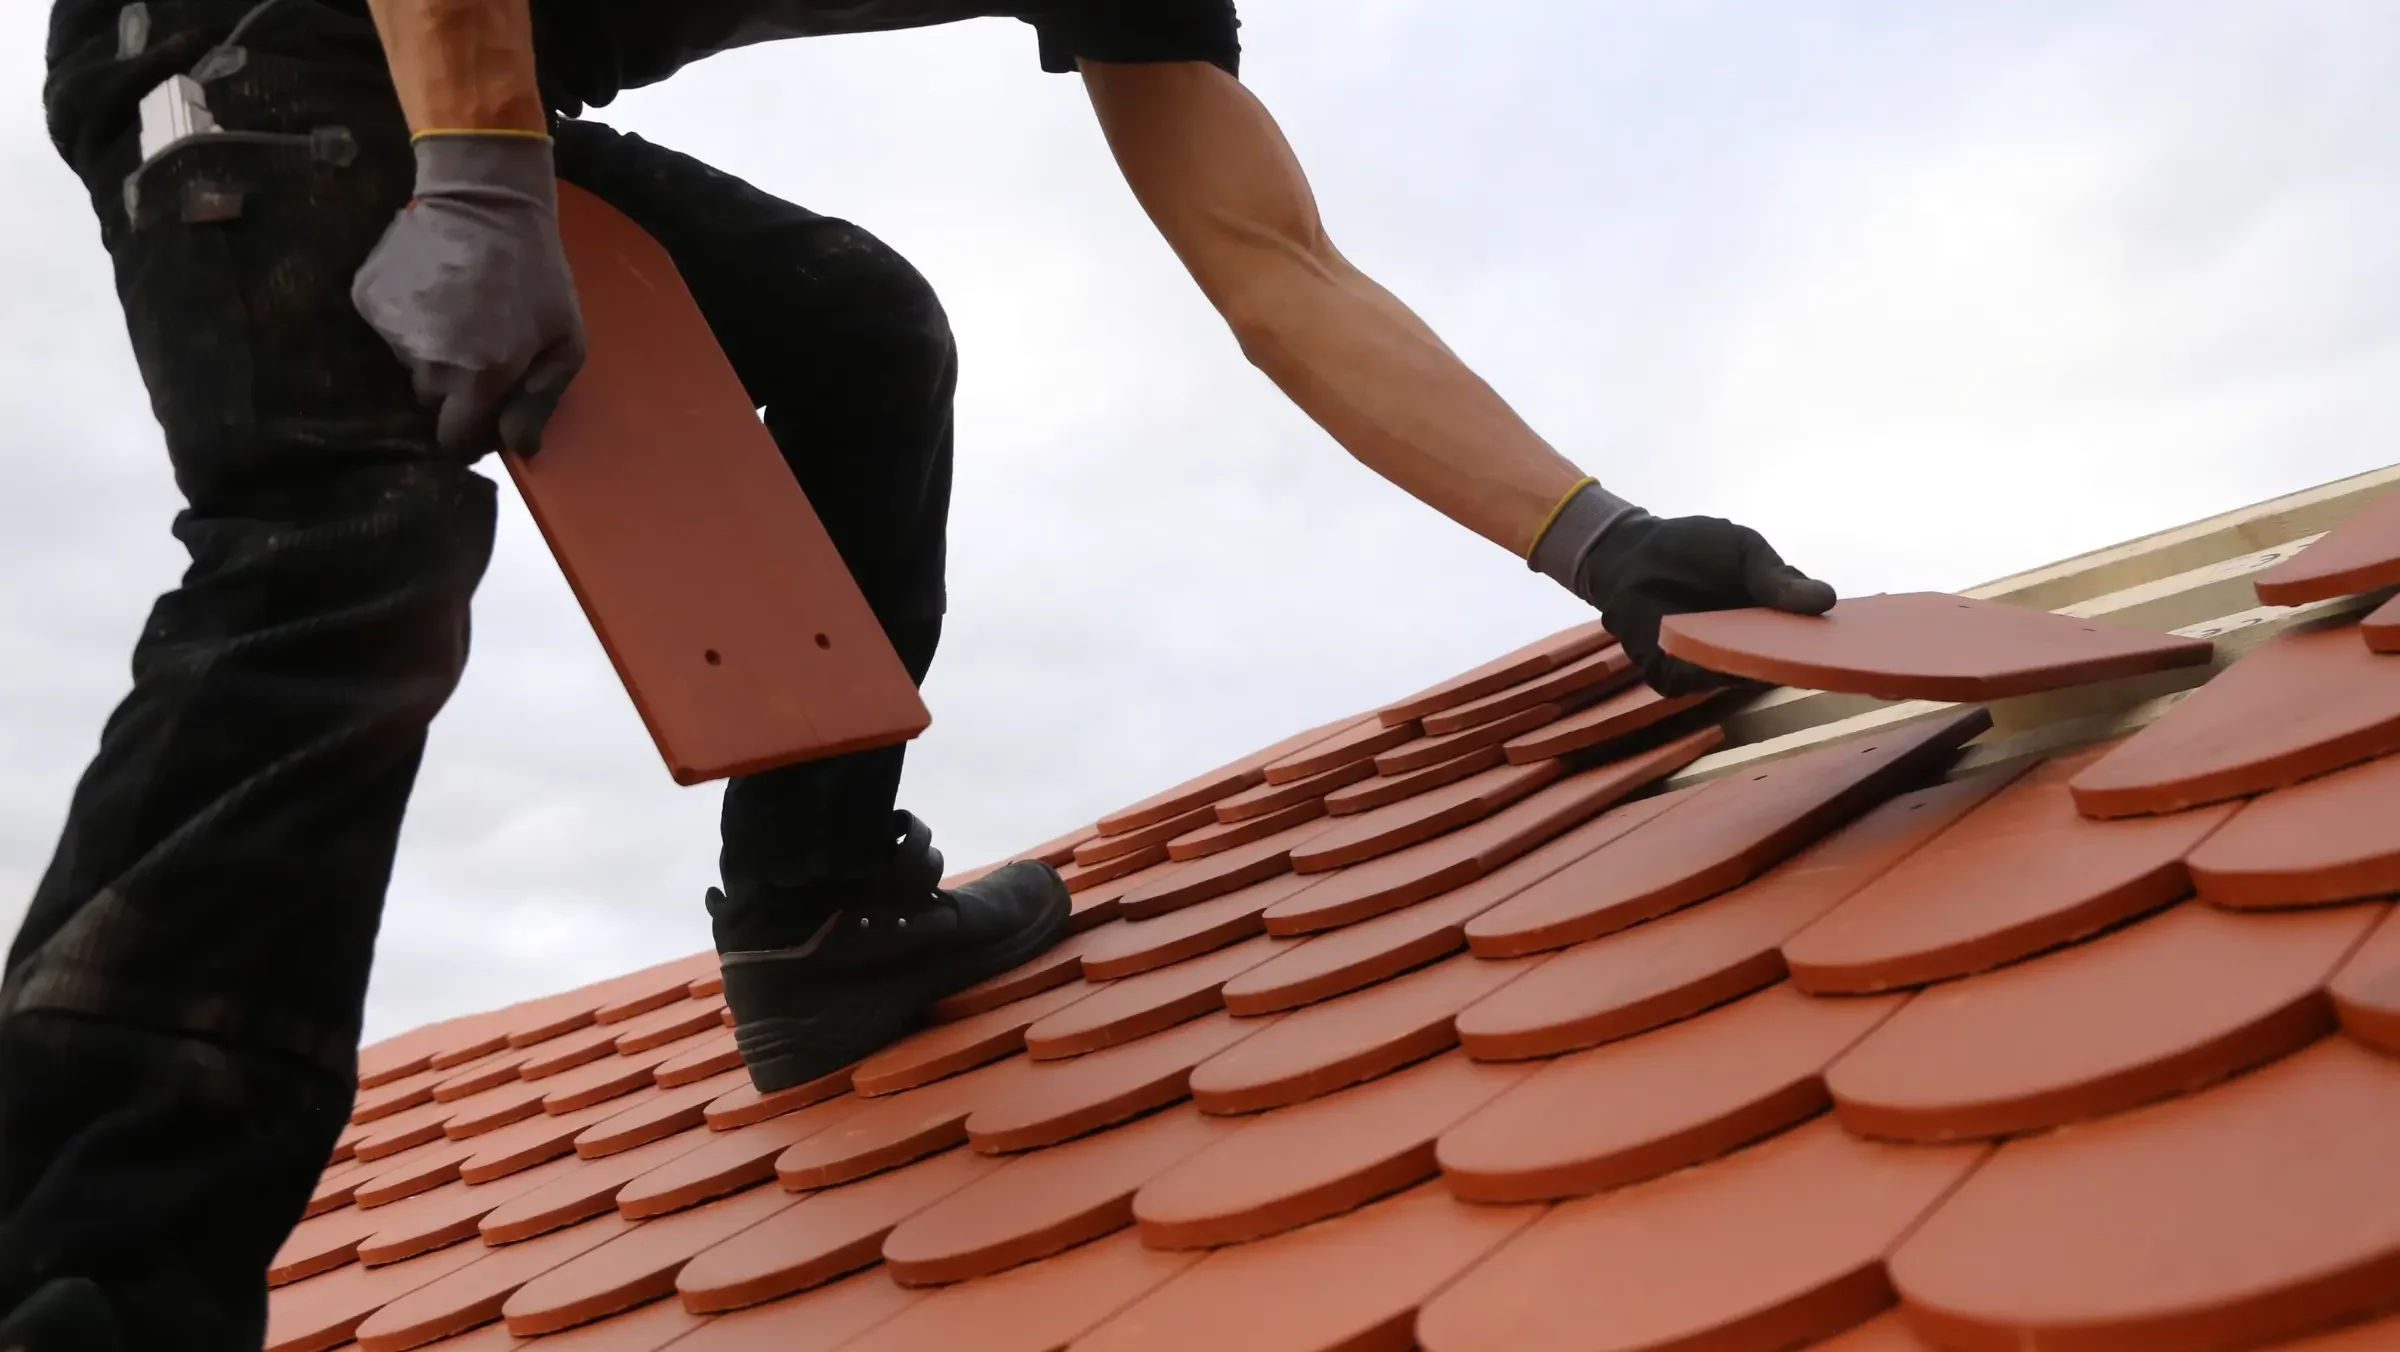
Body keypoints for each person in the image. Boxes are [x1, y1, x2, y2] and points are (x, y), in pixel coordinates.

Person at [3, 0, 1836, 1345]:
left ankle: (818, 915)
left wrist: (1600, 538)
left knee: (857, 329)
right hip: (245, 38)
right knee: (346, 542)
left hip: (458, 81)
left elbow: (1275, 265)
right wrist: (478, 171)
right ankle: (82, 1251)